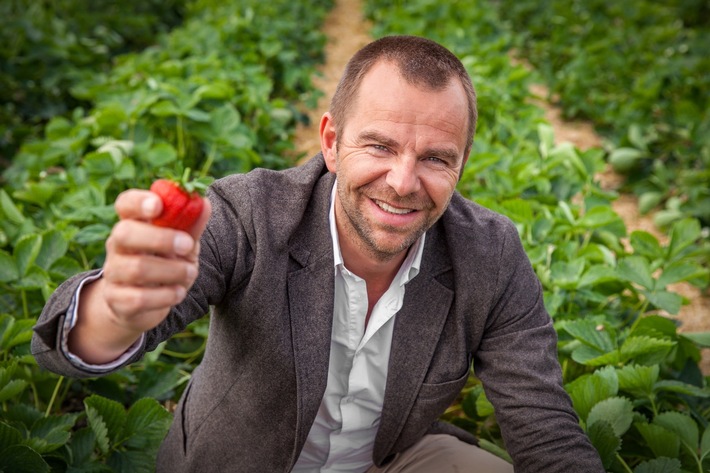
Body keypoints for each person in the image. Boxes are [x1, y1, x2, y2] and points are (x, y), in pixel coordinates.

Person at [32, 35, 604, 472]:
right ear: (330, 141)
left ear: (462, 164)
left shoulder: (491, 253)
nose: (403, 182)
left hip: (386, 461)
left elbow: (543, 420)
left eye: (436, 158)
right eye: (379, 146)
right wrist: (114, 315)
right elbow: (68, 347)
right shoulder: (250, 213)